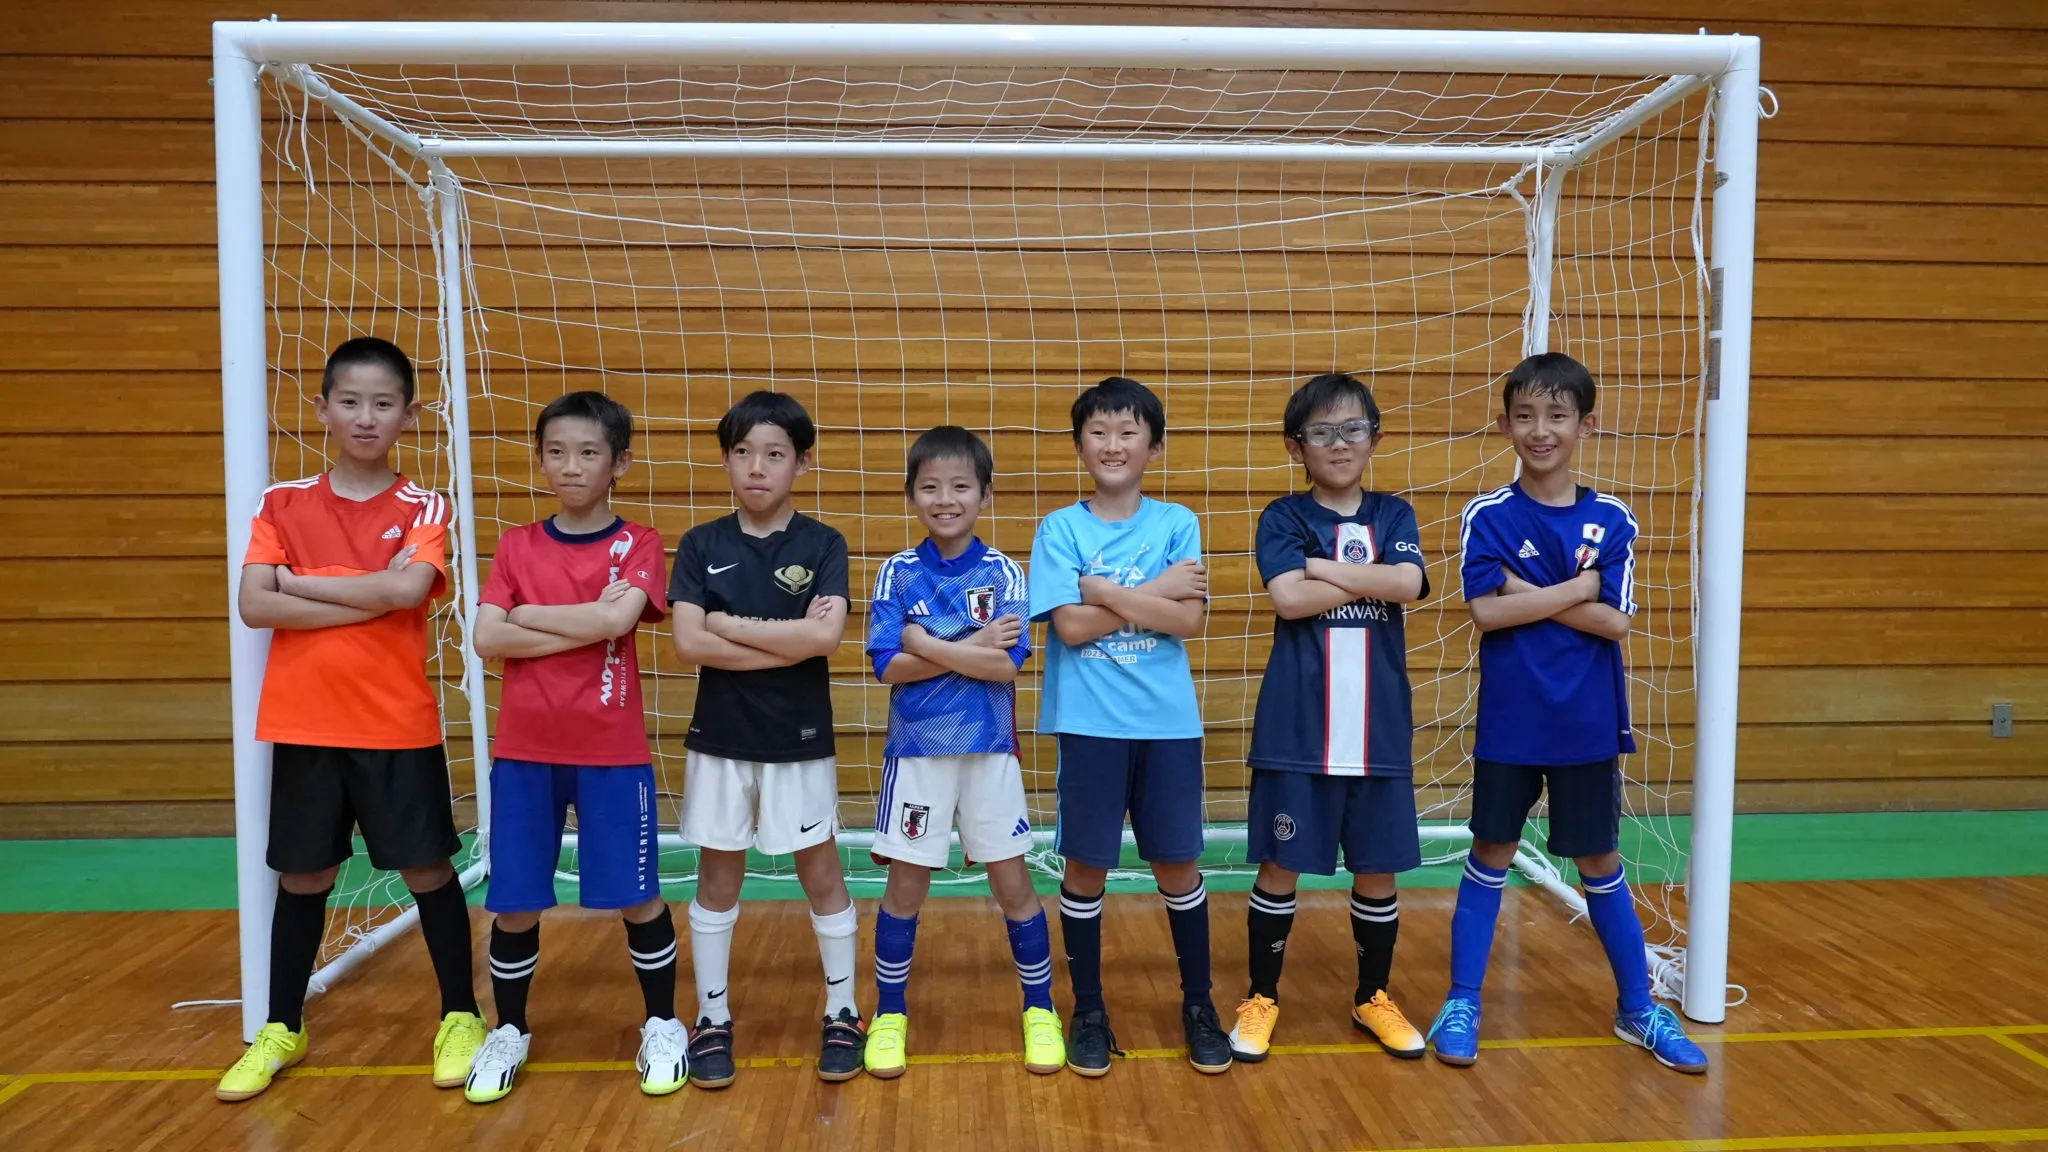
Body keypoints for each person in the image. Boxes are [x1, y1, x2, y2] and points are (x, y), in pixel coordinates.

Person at [216, 337, 482, 1101]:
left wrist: (304, 584)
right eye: (351, 402)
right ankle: (281, 1027)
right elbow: (255, 604)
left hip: (395, 723)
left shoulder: (425, 505)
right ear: (323, 408)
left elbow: (408, 593)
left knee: (428, 869)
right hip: (304, 724)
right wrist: (368, 589)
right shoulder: (281, 502)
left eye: (383, 403)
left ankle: (460, 1016)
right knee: (304, 877)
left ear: (409, 414)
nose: (366, 417)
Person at [1426, 352, 1708, 1074]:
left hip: (1586, 721)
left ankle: (1638, 1007)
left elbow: (1616, 623)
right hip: (1512, 721)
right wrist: (1574, 589)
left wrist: (1527, 591)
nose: (1540, 430)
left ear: (1587, 424)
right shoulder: (1488, 514)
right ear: (1505, 426)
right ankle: (1462, 1002)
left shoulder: (1611, 518)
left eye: (1556, 415)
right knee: (1490, 853)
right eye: (1524, 416)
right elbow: (1486, 613)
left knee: (1600, 862)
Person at [460, 391, 686, 1103]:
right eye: (556, 451)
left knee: (637, 896)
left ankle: (662, 1024)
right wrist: (585, 619)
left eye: (588, 452)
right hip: (525, 749)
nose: (571, 465)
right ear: (540, 458)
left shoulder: (639, 543)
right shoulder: (518, 545)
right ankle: (510, 1030)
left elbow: (619, 621)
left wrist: (528, 616)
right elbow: (486, 637)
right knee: (515, 901)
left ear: (620, 462)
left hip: (611, 750)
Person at [1027, 375, 1229, 1076]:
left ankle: (1199, 1004)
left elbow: (1188, 620)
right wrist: (1153, 592)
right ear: (1079, 444)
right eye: (1099, 432)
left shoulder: (1177, 522)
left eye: (1128, 432)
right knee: (1087, 867)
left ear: (1155, 446)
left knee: (1177, 865)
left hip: (1167, 725)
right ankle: (1088, 1010)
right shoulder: (1059, 529)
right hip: (1089, 725)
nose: (1113, 445)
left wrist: (1104, 590)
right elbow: (1071, 628)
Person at [1228, 373, 1430, 1064]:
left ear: (1375, 438)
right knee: (1281, 866)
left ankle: (1373, 996)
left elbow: (1409, 583)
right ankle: (1262, 998)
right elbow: (1288, 599)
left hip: (1378, 734)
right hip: (1297, 733)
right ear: (1297, 446)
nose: (1338, 444)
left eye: (1352, 430)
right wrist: (1358, 576)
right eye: (1321, 433)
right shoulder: (1284, 516)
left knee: (1378, 873)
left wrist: (1321, 569)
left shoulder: (1394, 514)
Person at [667, 391, 862, 1087]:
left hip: (798, 739)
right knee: (718, 879)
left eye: (775, 454)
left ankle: (843, 1011)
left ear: (801, 462)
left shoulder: (823, 544)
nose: (757, 467)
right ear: (726, 460)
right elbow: (689, 644)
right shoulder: (701, 544)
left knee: (822, 873)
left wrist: (728, 626)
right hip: (719, 739)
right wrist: (784, 640)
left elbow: (824, 639)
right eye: (744, 452)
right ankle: (712, 1018)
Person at [861, 426, 1064, 1080]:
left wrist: (926, 641)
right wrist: (972, 643)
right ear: (911, 495)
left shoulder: (1003, 571)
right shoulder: (897, 571)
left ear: (985, 495)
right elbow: (888, 668)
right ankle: (890, 1015)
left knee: (1013, 883)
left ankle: (1040, 1011)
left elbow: (1005, 667)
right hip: (916, 754)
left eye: (959, 487)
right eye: (930, 487)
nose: (944, 499)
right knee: (905, 886)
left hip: (989, 751)